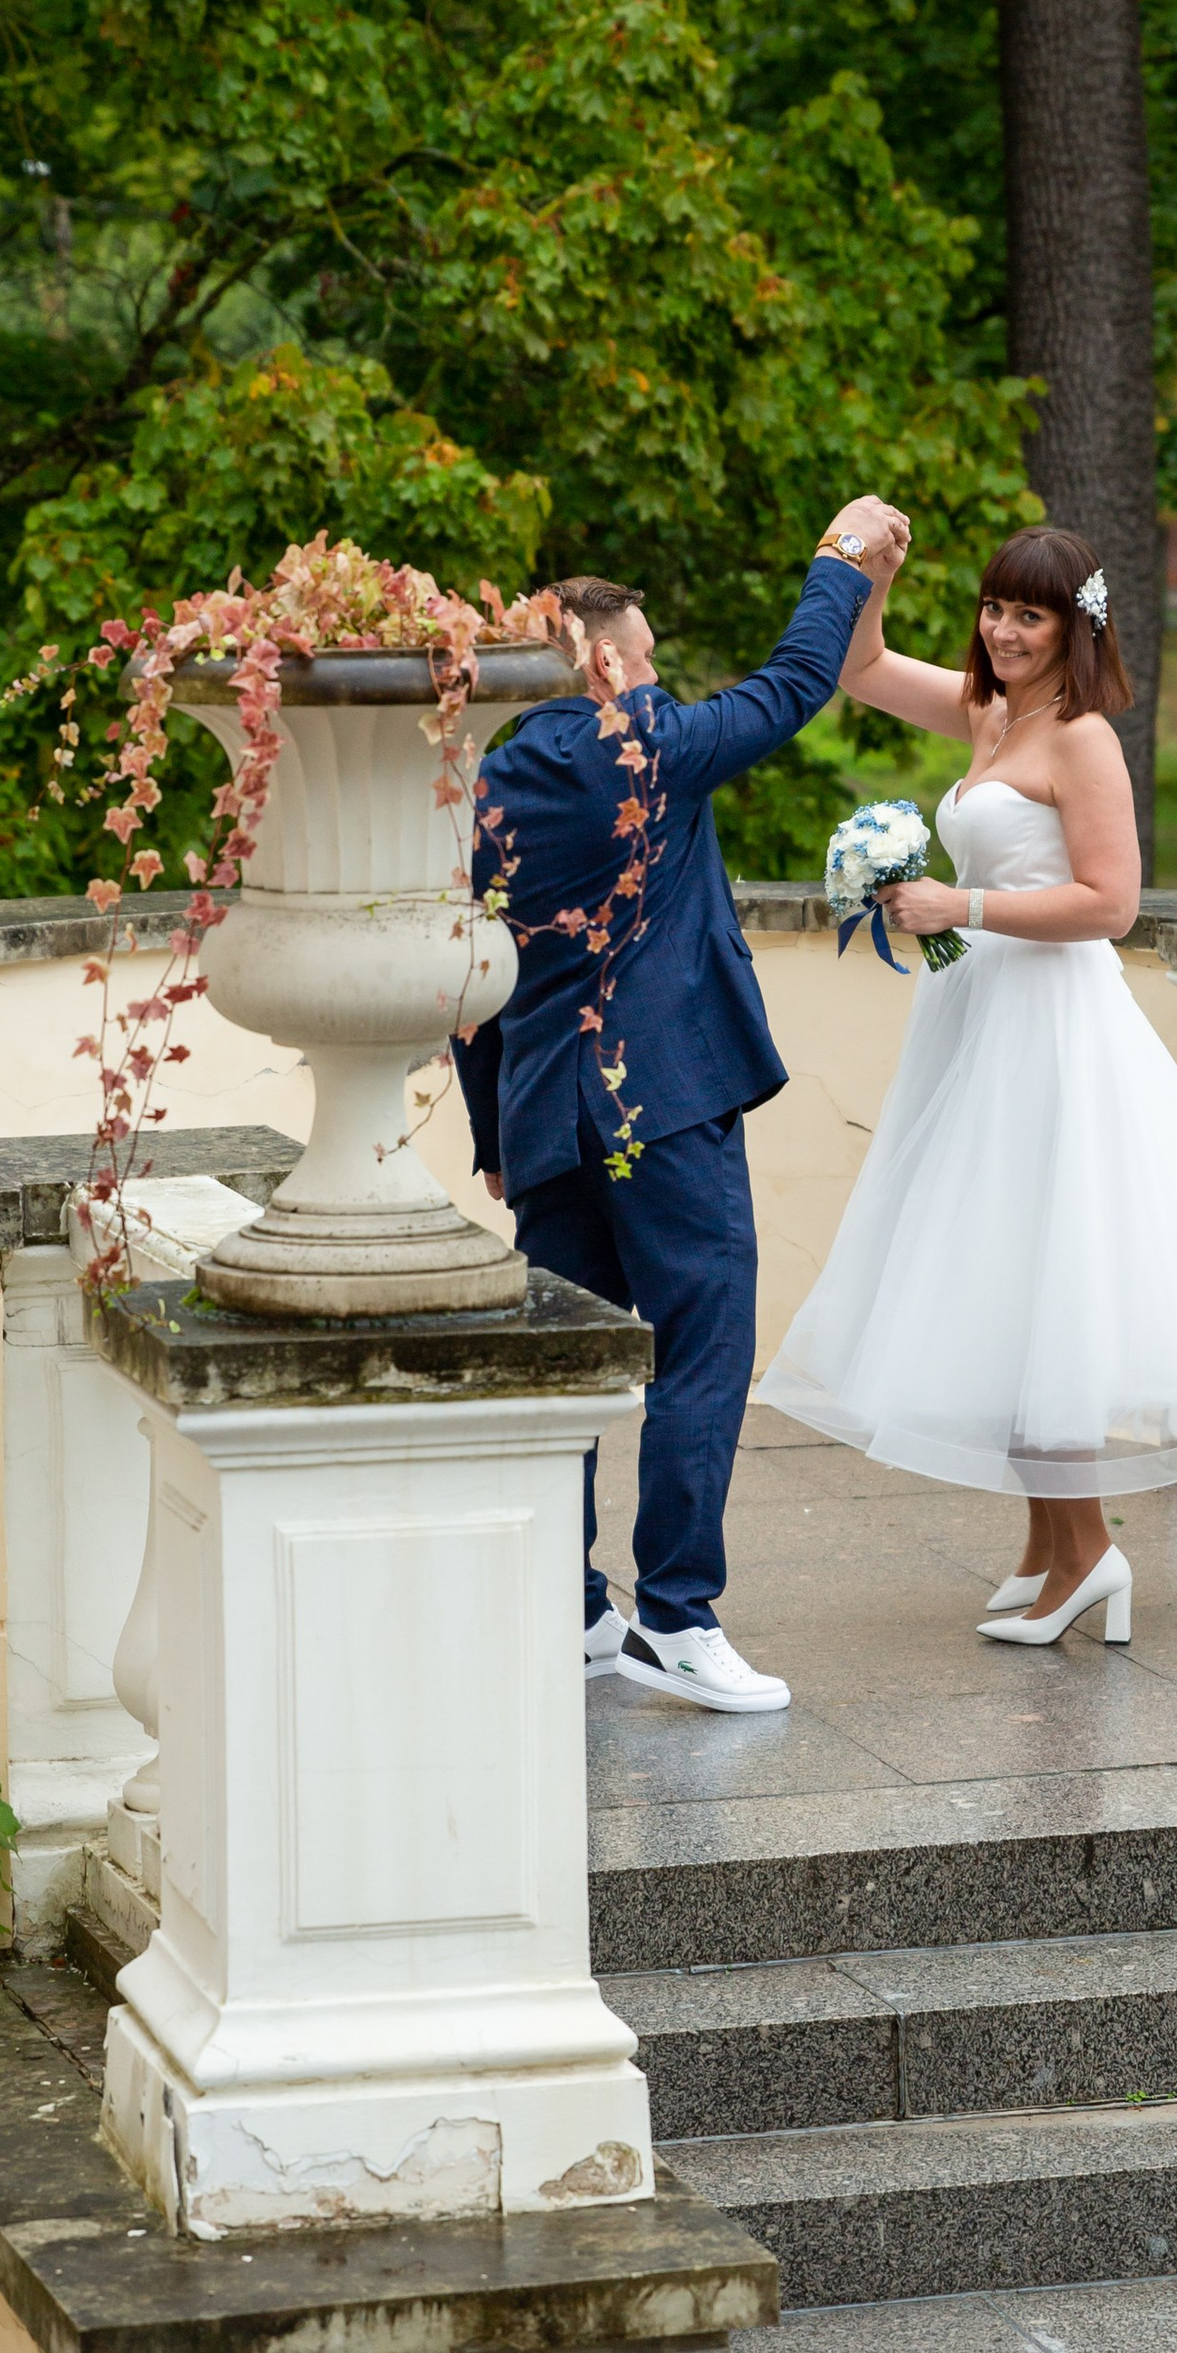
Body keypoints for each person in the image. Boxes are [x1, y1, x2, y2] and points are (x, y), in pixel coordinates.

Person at [757, 523, 1177, 1641]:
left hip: (1049, 1026)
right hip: (979, 1011)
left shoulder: (1081, 738)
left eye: (1029, 616)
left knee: (1034, 1272)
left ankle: (1090, 1554)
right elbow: (859, 671)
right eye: (993, 610)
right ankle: (1048, 1542)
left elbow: (1109, 904)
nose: (1002, 633)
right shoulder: (991, 711)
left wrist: (957, 905)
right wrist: (872, 582)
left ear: (1074, 627)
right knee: (997, 1267)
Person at [455, 499, 910, 1711]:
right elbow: (798, 679)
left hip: (550, 1114)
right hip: (664, 1097)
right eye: (646, 657)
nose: (657, 676)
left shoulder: (481, 789)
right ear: (603, 663)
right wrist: (842, 561)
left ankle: (574, 1610)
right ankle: (677, 1613)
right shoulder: (641, 740)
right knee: (702, 1343)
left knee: (571, 1364)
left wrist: (493, 1131)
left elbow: (470, 975)